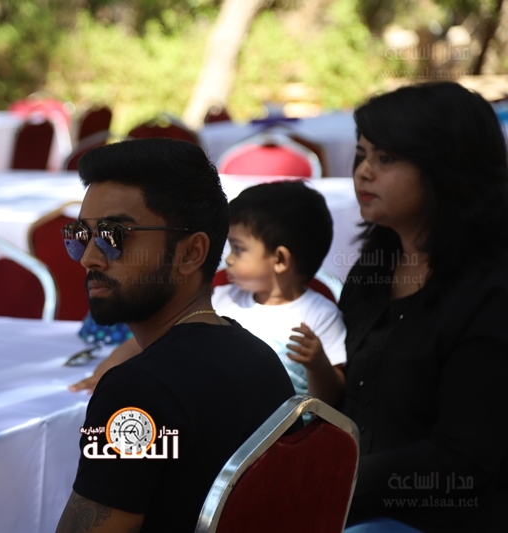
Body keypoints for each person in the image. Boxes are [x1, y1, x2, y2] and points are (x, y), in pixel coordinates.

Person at [55, 138, 295, 532]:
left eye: (114, 235)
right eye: (80, 234)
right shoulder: (258, 358)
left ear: (190, 253)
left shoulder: (137, 391)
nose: (89, 258)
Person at [341, 82, 508, 532]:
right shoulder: (373, 270)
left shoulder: (490, 293)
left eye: (386, 158)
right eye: (361, 154)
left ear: (446, 168)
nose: (363, 173)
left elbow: (463, 459)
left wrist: (329, 482)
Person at [71, 180, 347, 404]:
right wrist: (106, 372)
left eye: (239, 249)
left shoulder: (320, 315)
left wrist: (318, 365)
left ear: (280, 260)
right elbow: (151, 341)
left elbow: (330, 400)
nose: (229, 259)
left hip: (286, 439)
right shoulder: (220, 300)